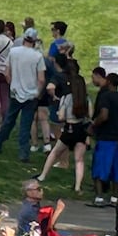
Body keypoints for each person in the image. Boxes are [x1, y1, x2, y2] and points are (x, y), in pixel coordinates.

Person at [37, 59, 90, 192]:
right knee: (79, 160)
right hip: (81, 130)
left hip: (69, 129)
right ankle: (78, 186)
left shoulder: (66, 98)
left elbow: (61, 117)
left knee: (54, 153)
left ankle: (42, 176)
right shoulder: (86, 99)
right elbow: (90, 114)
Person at [0, 27, 45, 162]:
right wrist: (38, 93)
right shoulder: (38, 56)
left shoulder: (14, 52)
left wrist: (11, 84)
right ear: (34, 41)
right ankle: (23, 153)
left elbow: (6, 72)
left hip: (15, 93)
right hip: (31, 95)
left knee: (9, 121)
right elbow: (41, 79)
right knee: (25, 125)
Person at [88, 71, 118, 206]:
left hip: (106, 137)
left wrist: (94, 124)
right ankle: (115, 197)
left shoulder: (105, 97)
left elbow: (104, 115)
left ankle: (99, 197)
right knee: (116, 167)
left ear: (108, 82)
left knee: (100, 166)